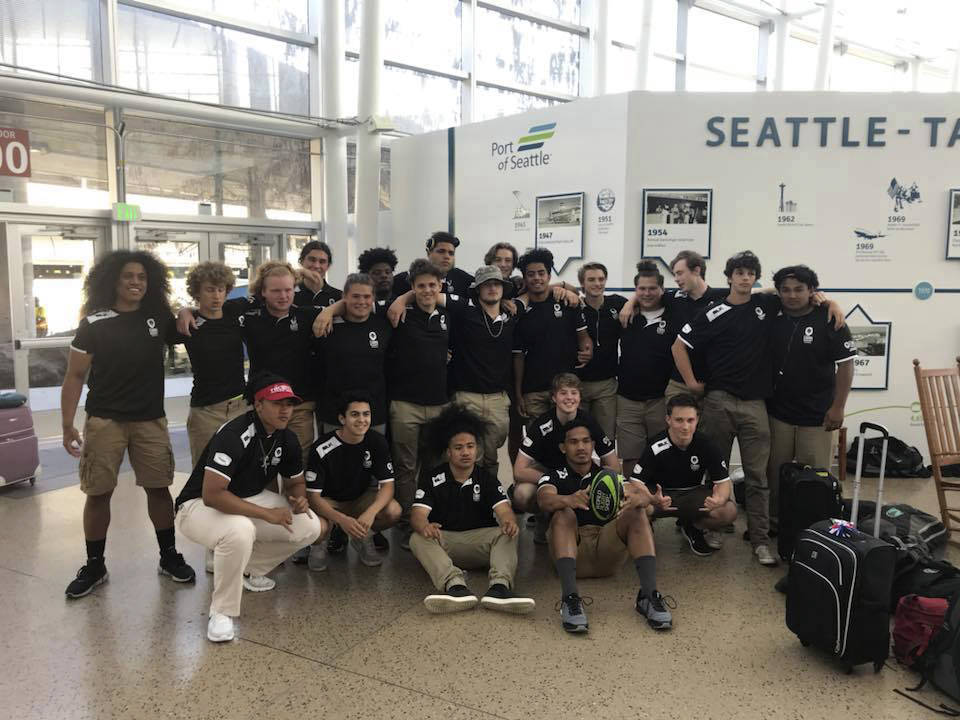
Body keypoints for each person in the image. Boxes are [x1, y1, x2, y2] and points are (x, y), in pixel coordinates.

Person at [62, 250, 195, 599]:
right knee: (98, 492)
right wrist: (66, 424)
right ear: (113, 281)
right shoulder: (94, 323)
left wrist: (183, 310)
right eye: (128, 277)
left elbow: (189, 324)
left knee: (158, 488)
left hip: (149, 420)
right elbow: (75, 375)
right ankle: (94, 565)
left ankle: (168, 556)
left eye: (142, 277)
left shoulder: (157, 317)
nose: (136, 282)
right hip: (105, 421)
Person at [174, 373, 323, 642]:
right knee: (239, 530)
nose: (285, 409)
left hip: (247, 498)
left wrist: (298, 498)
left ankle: (249, 569)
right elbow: (212, 495)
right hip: (196, 506)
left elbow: (295, 482)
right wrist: (267, 514)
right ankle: (221, 612)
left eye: (289, 403)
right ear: (258, 404)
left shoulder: (286, 437)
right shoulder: (234, 433)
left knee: (310, 525)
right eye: (277, 403)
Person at [178, 261, 322, 466]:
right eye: (276, 290)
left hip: (295, 403)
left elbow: (344, 304)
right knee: (256, 467)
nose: (283, 295)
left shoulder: (306, 315)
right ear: (263, 292)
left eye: (288, 290)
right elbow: (204, 311)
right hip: (254, 404)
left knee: (296, 463)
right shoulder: (246, 316)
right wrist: (185, 311)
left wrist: (329, 311)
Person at [538, 419, 671, 633]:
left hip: (606, 551)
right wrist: (568, 500)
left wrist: (642, 500)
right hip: (574, 551)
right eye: (573, 442)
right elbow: (544, 500)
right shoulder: (553, 475)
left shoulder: (609, 476)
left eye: (586, 441)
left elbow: (636, 494)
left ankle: (648, 596)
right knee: (562, 514)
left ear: (593, 445)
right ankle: (570, 600)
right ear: (563, 447)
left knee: (636, 512)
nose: (581, 447)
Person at [410, 405, 535, 614]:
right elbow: (417, 516)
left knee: (509, 533)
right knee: (417, 538)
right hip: (445, 544)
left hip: (481, 544)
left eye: (470, 446)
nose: (465, 452)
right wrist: (425, 526)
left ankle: (499, 588)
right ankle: (456, 587)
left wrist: (508, 521)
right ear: (448, 452)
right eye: (459, 448)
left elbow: (504, 509)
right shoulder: (433, 478)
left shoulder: (486, 478)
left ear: (477, 450)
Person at [766, 265, 855, 531]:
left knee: (816, 479)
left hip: (817, 415)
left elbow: (846, 366)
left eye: (799, 290)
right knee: (775, 475)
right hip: (777, 413)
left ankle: (815, 529)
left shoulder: (830, 319)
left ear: (811, 291)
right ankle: (775, 525)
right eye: (786, 290)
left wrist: (838, 408)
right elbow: (751, 292)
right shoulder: (771, 313)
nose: (792, 295)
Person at [385, 259, 452, 548]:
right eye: (420, 285)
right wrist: (402, 299)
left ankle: (430, 517)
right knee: (405, 467)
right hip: (405, 404)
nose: (427, 290)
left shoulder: (449, 316)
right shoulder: (399, 314)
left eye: (432, 285)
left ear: (440, 287)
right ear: (412, 287)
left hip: (439, 404)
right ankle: (406, 524)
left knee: (436, 465)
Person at [512, 373, 618, 541]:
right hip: (550, 473)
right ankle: (544, 519)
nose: (569, 398)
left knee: (608, 481)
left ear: (580, 396)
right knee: (522, 493)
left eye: (573, 393)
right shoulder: (542, 424)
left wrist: (595, 482)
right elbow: (519, 470)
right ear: (554, 398)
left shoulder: (590, 422)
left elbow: (614, 467)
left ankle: (590, 521)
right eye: (563, 393)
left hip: (582, 474)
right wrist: (554, 480)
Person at [302, 392, 401, 569]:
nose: (362, 420)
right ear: (342, 418)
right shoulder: (322, 448)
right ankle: (319, 543)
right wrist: (341, 520)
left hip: (359, 498)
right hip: (328, 502)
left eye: (366, 414)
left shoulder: (377, 441)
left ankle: (363, 537)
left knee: (393, 510)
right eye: (355, 414)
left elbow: (387, 485)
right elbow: (313, 498)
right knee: (318, 527)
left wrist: (370, 513)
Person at [630, 394, 737, 557]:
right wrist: (651, 498)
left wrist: (718, 500)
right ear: (668, 419)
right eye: (679, 420)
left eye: (690, 420)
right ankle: (647, 529)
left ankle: (693, 526)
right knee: (635, 508)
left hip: (692, 494)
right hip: (660, 498)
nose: (685, 427)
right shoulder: (656, 446)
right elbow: (635, 482)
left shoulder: (707, 444)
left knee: (728, 510)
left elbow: (723, 482)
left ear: (697, 419)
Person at [169, 261, 247, 466]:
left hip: (240, 406)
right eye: (210, 290)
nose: (216, 296)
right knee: (204, 471)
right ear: (197, 292)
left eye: (221, 290)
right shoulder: (188, 323)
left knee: (241, 470)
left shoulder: (234, 310)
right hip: (206, 411)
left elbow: (270, 293)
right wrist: (183, 311)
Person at [447, 265, 518, 471]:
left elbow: (534, 296)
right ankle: (466, 500)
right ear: (478, 289)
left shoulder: (511, 316)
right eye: (486, 285)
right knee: (469, 457)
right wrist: (402, 300)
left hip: (498, 399)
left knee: (491, 457)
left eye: (496, 284)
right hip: (467, 397)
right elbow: (433, 296)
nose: (492, 288)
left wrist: (565, 285)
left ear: (504, 288)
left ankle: (489, 499)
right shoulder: (464, 309)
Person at [513, 248, 592, 419]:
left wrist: (587, 350)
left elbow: (584, 337)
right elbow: (518, 357)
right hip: (534, 392)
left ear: (549, 276)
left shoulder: (566, 301)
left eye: (541, 273)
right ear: (525, 279)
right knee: (538, 443)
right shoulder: (519, 311)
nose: (536, 278)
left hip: (566, 390)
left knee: (568, 440)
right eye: (531, 274)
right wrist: (518, 393)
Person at [616, 261, 673, 474]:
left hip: (660, 399)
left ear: (662, 290)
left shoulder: (673, 314)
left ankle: (660, 500)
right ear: (635, 290)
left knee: (663, 453)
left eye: (652, 288)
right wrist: (631, 302)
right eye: (641, 289)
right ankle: (633, 500)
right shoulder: (624, 315)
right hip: (627, 399)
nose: (647, 293)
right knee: (631, 456)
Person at [575, 262, 625, 440]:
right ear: (582, 283)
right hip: (577, 384)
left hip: (606, 385)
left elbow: (640, 300)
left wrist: (630, 303)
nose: (597, 283)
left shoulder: (618, 304)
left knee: (605, 438)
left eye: (601, 279)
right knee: (578, 436)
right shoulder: (574, 307)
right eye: (591, 279)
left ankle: (607, 470)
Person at [392, 231, 474, 296]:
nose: (447, 256)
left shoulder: (463, 279)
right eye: (441, 251)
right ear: (428, 253)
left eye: (451, 253)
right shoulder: (405, 279)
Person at [295, 240, 342, 308]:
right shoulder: (289, 295)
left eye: (322, 262)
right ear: (301, 261)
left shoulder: (339, 297)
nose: (316, 266)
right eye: (312, 260)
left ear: (328, 266)